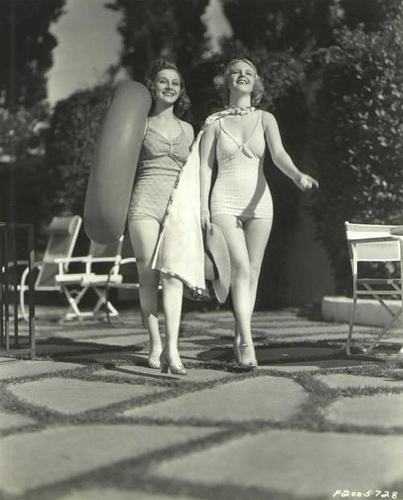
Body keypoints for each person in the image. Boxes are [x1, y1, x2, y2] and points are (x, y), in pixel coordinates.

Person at [200, 58, 319, 368]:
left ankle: (240, 336)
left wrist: (297, 175)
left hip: (260, 204)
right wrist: (202, 207)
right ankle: (247, 342)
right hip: (224, 201)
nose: (242, 76)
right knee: (239, 267)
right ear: (226, 80)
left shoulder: (266, 118)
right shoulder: (214, 122)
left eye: (249, 73)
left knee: (252, 272)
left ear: (256, 83)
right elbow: (204, 167)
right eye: (236, 72)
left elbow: (279, 155)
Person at [127, 59, 196, 375]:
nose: (170, 87)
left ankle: (173, 348)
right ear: (152, 87)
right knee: (148, 276)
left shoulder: (188, 129)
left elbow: (194, 174)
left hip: (176, 207)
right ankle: (154, 342)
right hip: (144, 204)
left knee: (173, 276)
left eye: (175, 83)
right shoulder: (139, 124)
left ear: (181, 91)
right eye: (163, 81)